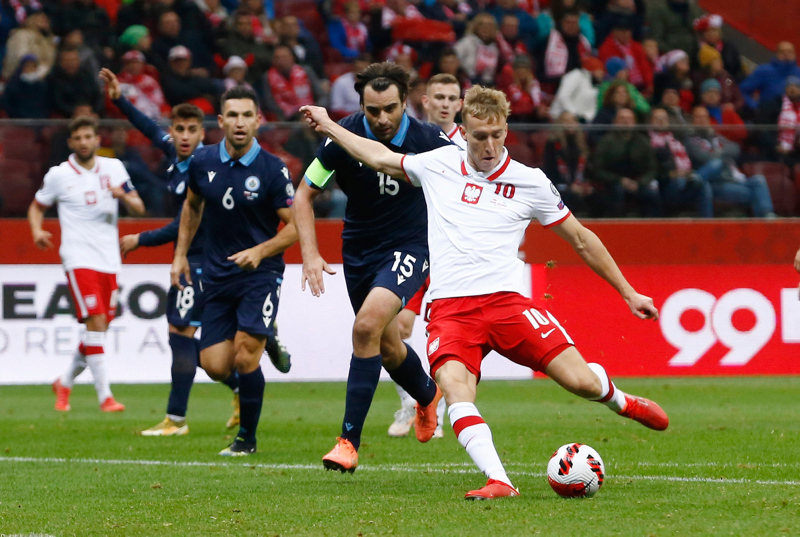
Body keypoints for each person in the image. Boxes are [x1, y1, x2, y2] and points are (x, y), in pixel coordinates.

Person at [299, 85, 669, 501]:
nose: (488, 145)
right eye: (478, 137)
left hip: (508, 304)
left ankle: (620, 400)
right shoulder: (438, 164)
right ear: (463, 131)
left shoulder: (531, 182)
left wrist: (629, 292)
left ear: (506, 130)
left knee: (580, 382)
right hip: (451, 311)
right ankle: (500, 480)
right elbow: (379, 156)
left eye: (496, 135)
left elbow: (581, 239)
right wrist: (330, 125)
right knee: (457, 390)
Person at [293, 62, 451, 473]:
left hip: (410, 247)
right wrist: (310, 253)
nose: (381, 119)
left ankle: (348, 441)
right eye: (372, 110)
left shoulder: (429, 139)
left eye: (390, 109)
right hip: (359, 249)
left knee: (365, 327)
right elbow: (304, 195)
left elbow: (466, 189)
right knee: (385, 343)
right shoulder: (343, 134)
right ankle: (428, 394)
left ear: (407, 103)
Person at [171, 86, 298, 456]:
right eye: (233, 116)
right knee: (212, 364)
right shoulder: (202, 161)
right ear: (221, 122)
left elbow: (294, 227)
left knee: (245, 357)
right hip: (217, 274)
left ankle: (247, 439)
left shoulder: (273, 169)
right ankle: (267, 337)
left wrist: (260, 251)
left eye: (247, 116)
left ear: (258, 121)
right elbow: (191, 208)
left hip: (261, 273)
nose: (240, 123)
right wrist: (180, 255)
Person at [28, 115, 146, 413]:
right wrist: (36, 230)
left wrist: (124, 196)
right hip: (78, 257)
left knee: (99, 329)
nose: (83, 142)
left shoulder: (114, 168)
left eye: (87, 137)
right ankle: (105, 396)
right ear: (71, 143)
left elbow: (140, 207)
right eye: (77, 138)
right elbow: (36, 206)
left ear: (97, 139)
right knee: (94, 322)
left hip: (110, 259)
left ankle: (64, 381)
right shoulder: (58, 175)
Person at [685, 106, 775, 218]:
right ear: (692, 121)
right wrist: (721, 154)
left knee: (759, 180)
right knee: (755, 194)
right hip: (716, 183)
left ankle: (769, 218)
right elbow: (702, 156)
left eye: (704, 117)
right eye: (698, 117)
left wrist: (717, 152)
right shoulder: (690, 140)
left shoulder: (716, 137)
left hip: (733, 178)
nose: (702, 120)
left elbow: (735, 148)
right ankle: (764, 220)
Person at [592, 107, 660, 217]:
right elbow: (598, 169)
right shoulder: (606, 142)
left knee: (652, 194)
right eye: (622, 118)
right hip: (612, 182)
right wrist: (619, 180)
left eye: (629, 119)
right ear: (615, 122)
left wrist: (640, 182)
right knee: (617, 192)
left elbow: (652, 168)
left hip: (638, 182)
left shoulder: (643, 142)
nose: (626, 121)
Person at [422, 73, 466, 149]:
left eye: (452, 99)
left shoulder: (468, 146)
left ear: (459, 105)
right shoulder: (410, 141)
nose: (446, 104)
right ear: (426, 102)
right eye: (440, 98)